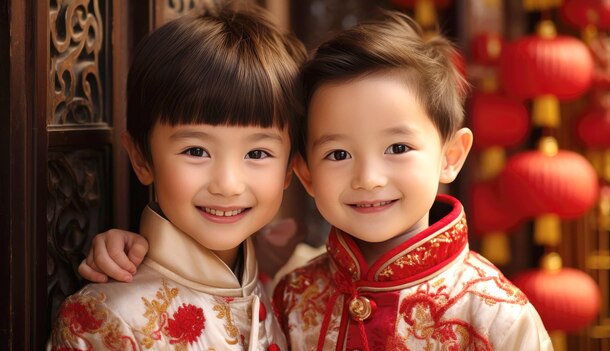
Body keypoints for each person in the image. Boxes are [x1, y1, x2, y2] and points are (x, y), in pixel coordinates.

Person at [79, 10, 554, 351]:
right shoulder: (291, 295)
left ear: (452, 156)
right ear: (304, 173)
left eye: (398, 148)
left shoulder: (496, 316)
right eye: (339, 153)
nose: (368, 178)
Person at [47, 2, 305, 350]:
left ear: (289, 169)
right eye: (196, 151)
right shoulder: (105, 316)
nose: (227, 184)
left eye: (257, 154)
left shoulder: (286, 298)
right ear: (141, 158)